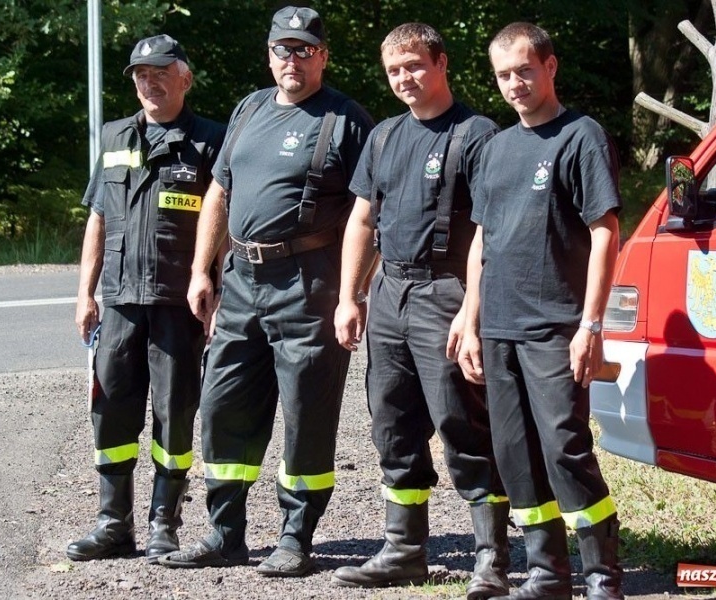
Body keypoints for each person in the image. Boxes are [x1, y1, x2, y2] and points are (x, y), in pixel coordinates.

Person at [157, 6, 373, 577]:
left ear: (322, 56)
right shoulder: (250, 108)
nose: (292, 60)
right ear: (269, 53)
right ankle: (225, 533)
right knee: (224, 406)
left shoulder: (348, 121)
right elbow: (220, 192)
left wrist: (353, 291)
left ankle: (295, 536)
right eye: (284, 49)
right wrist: (204, 269)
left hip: (309, 285)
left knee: (306, 410)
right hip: (241, 284)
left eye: (305, 50)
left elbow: (367, 216)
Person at [331, 23, 509, 599]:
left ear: (440, 63)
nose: (405, 78)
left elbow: (489, 230)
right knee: (392, 423)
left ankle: (492, 557)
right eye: (394, 71)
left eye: (414, 65)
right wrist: (348, 296)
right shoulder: (382, 137)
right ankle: (404, 550)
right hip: (389, 296)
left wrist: (471, 314)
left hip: (448, 295)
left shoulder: (478, 135)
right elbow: (362, 220)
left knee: (464, 423)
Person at [458, 22, 624, 600]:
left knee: (563, 446)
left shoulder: (581, 135)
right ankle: (546, 573)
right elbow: (482, 239)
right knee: (514, 453)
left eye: (524, 70)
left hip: (556, 325)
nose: (514, 84)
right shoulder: (497, 148)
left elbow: (605, 232)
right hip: (498, 325)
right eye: (504, 75)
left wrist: (591, 326)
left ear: (550, 67)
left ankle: (602, 573)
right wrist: (469, 319)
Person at [67, 35, 226, 563]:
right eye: (140, 74)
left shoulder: (209, 141)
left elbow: (221, 220)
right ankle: (114, 524)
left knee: (174, 413)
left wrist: (210, 280)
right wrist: (84, 293)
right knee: (110, 412)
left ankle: (165, 523)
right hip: (117, 302)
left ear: (185, 77)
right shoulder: (115, 136)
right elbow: (98, 217)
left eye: (160, 72)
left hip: (177, 303)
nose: (149, 82)